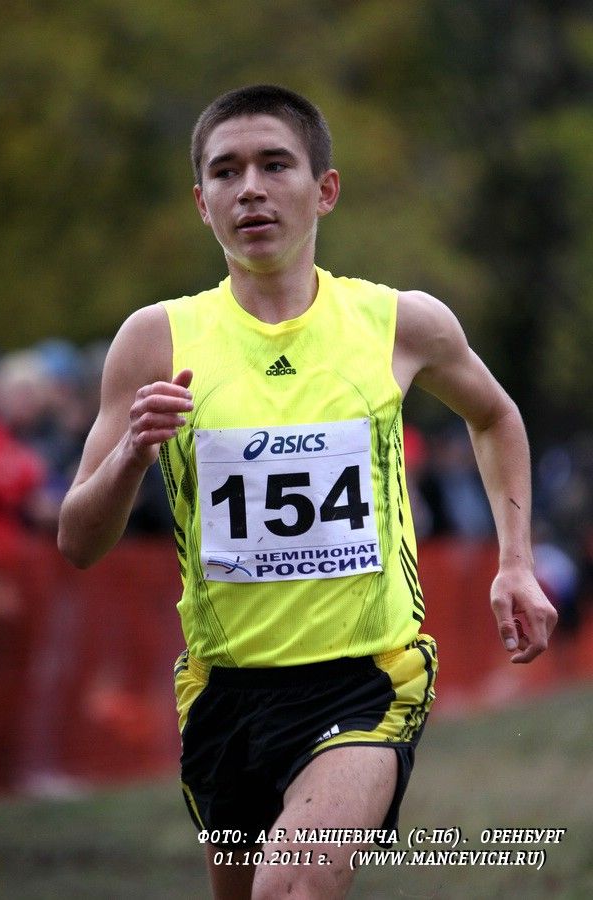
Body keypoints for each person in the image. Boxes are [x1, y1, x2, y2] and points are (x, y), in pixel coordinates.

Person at [57, 84, 557, 900]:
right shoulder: (156, 340)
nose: (250, 188)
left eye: (274, 164)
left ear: (325, 189)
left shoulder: (400, 323)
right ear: (202, 203)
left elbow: (496, 416)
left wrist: (516, 562)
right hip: (224, 690)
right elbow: (77, 542)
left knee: (290, 887)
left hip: (366, 680)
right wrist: (131, 457)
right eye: (226, 171)